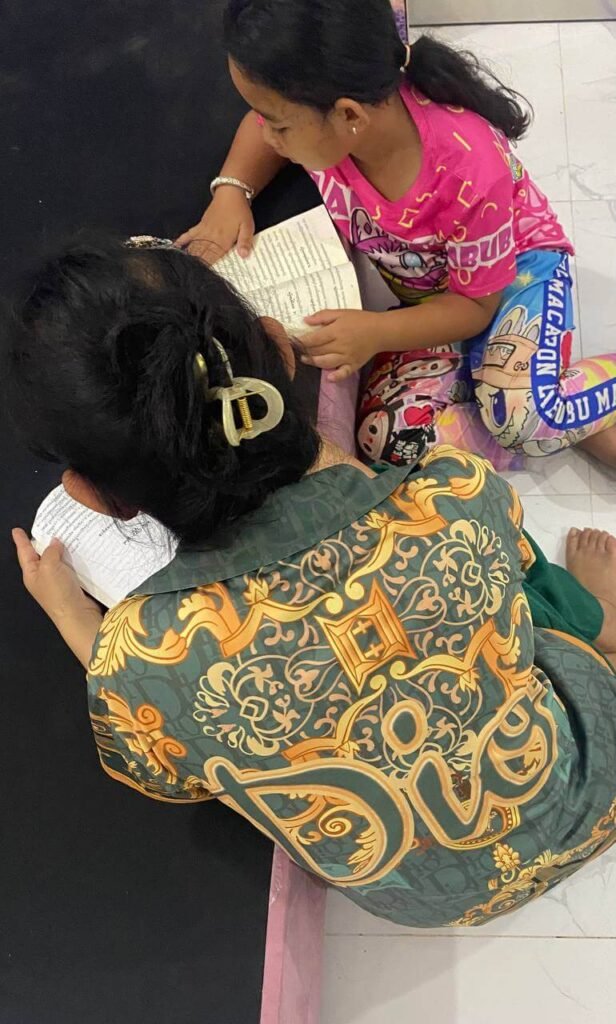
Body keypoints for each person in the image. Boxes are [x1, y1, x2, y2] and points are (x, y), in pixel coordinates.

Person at [7, 237, 616, 929]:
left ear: (95, 496)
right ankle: (601, 618)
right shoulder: (454, 494)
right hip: (597, 786)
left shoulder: (145, 657)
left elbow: (170, 773)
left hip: (432, 901)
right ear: (280, 347)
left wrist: (70, 615)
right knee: (514, 612)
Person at [176, 0, 616, 467]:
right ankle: (534, 402)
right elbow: (257, 125)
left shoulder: (469, 168)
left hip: (514, 280)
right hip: (435, 302)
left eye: (280, 125)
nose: (270, 138)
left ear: (348, 116)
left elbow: (476, 305)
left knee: (519, 419)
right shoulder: (340, 120)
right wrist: (232, 190)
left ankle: (527, 409)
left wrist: (378, 331)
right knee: (382, 438)